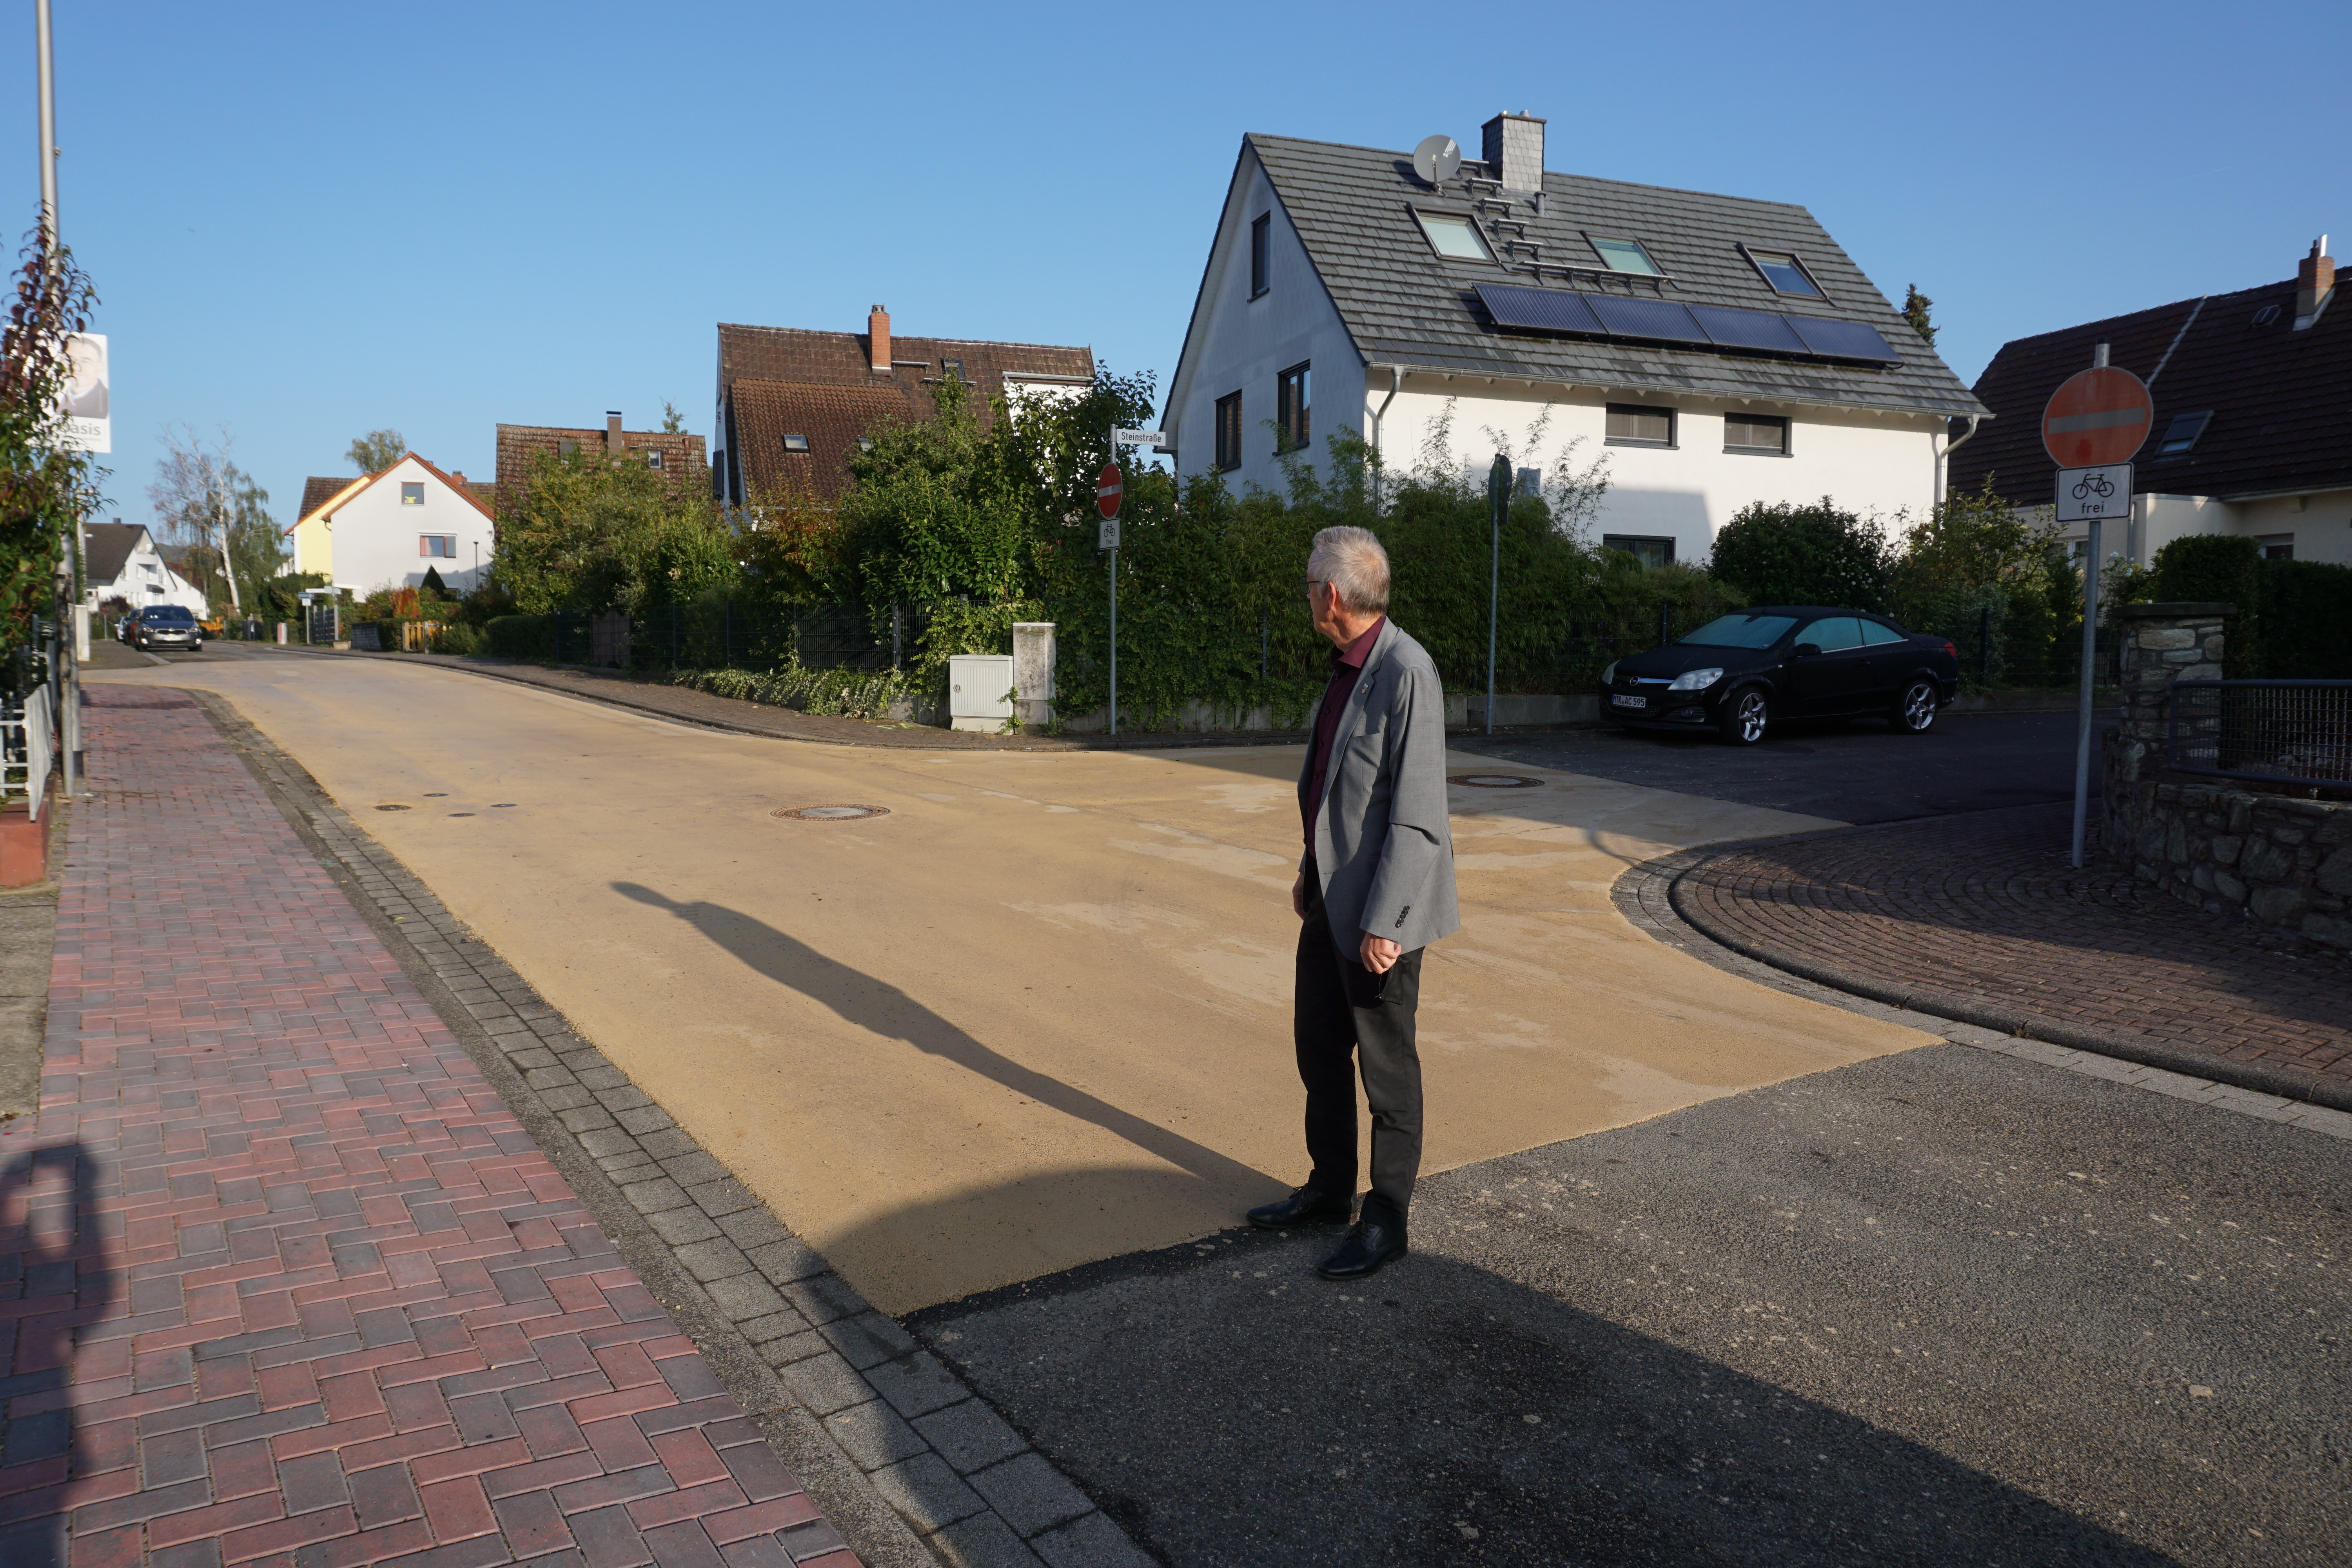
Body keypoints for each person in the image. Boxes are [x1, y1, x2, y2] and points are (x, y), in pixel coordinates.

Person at [1247, 526, 1457, 1279]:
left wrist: (1388, 922)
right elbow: (1337, 794)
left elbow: (1418, 813)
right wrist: (1310, 868)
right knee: (1318, 1048)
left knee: (1387, 1069)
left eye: (1308, 584)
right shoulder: (1349, 667)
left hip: (1377, 920)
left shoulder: (1407, 672)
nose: (1305, 595)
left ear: (1331, 594)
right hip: (1329, 902)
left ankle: (1387, 1218)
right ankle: (1331, 1189)